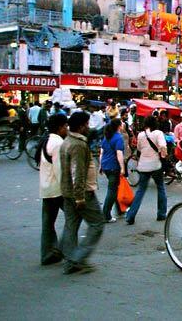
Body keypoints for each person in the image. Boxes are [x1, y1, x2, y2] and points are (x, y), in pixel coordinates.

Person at [60, 112, 104, 275]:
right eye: (86, 124)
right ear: (80, 126)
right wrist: (80, 197)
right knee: (97, 224)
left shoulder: (67, 141)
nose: (88, 127)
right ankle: (77, 259)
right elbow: (77, 172)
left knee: (71, 225)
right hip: (82, 192)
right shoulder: (78, 145)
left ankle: (70, 259)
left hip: (67, 191)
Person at [126, 116, 168, 224]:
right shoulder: (158, 133)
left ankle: (131, 215)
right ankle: (161, 214)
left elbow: (139, 149)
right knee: (161, 188)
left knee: (140, 190)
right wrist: (164, 155)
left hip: (143, 166)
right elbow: (163, 146)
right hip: (156, 165)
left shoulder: (141, 134)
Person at [39, 114, 68, 265]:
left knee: (48, 223)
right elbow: (60, 171)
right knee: (73, 218)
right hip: (58, 190)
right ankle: (62, 249)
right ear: (59, 127)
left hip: (46, 188)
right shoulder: (58, 143)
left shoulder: (46, 140)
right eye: (65, 126)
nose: (67, 129)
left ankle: (47, 253)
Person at [99, 119, 125, 223]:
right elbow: (119, 154)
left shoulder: (107, 137)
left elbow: (101, 152)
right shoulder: (118, 138)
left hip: (106, 165)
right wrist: (122, 167)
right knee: (112, 190)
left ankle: (119, 210)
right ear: (119, 126)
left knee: (114, 188)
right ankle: (106, 214)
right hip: (113, 166)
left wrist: (101, 165)